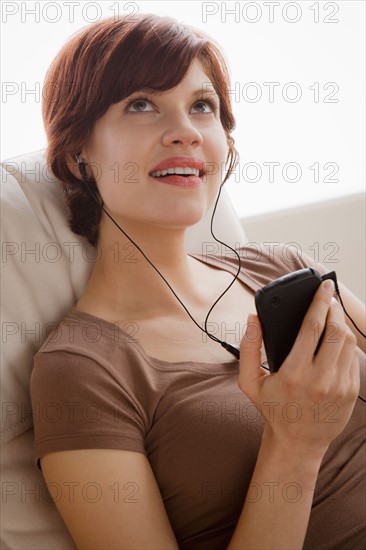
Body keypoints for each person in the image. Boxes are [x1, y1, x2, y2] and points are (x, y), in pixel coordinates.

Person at [30, 13, 365, 550]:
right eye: (141, 103)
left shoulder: (279, 269)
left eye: (202, 106)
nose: (186, 130)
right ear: (77, 154)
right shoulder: (82, 371)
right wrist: (295, 445)